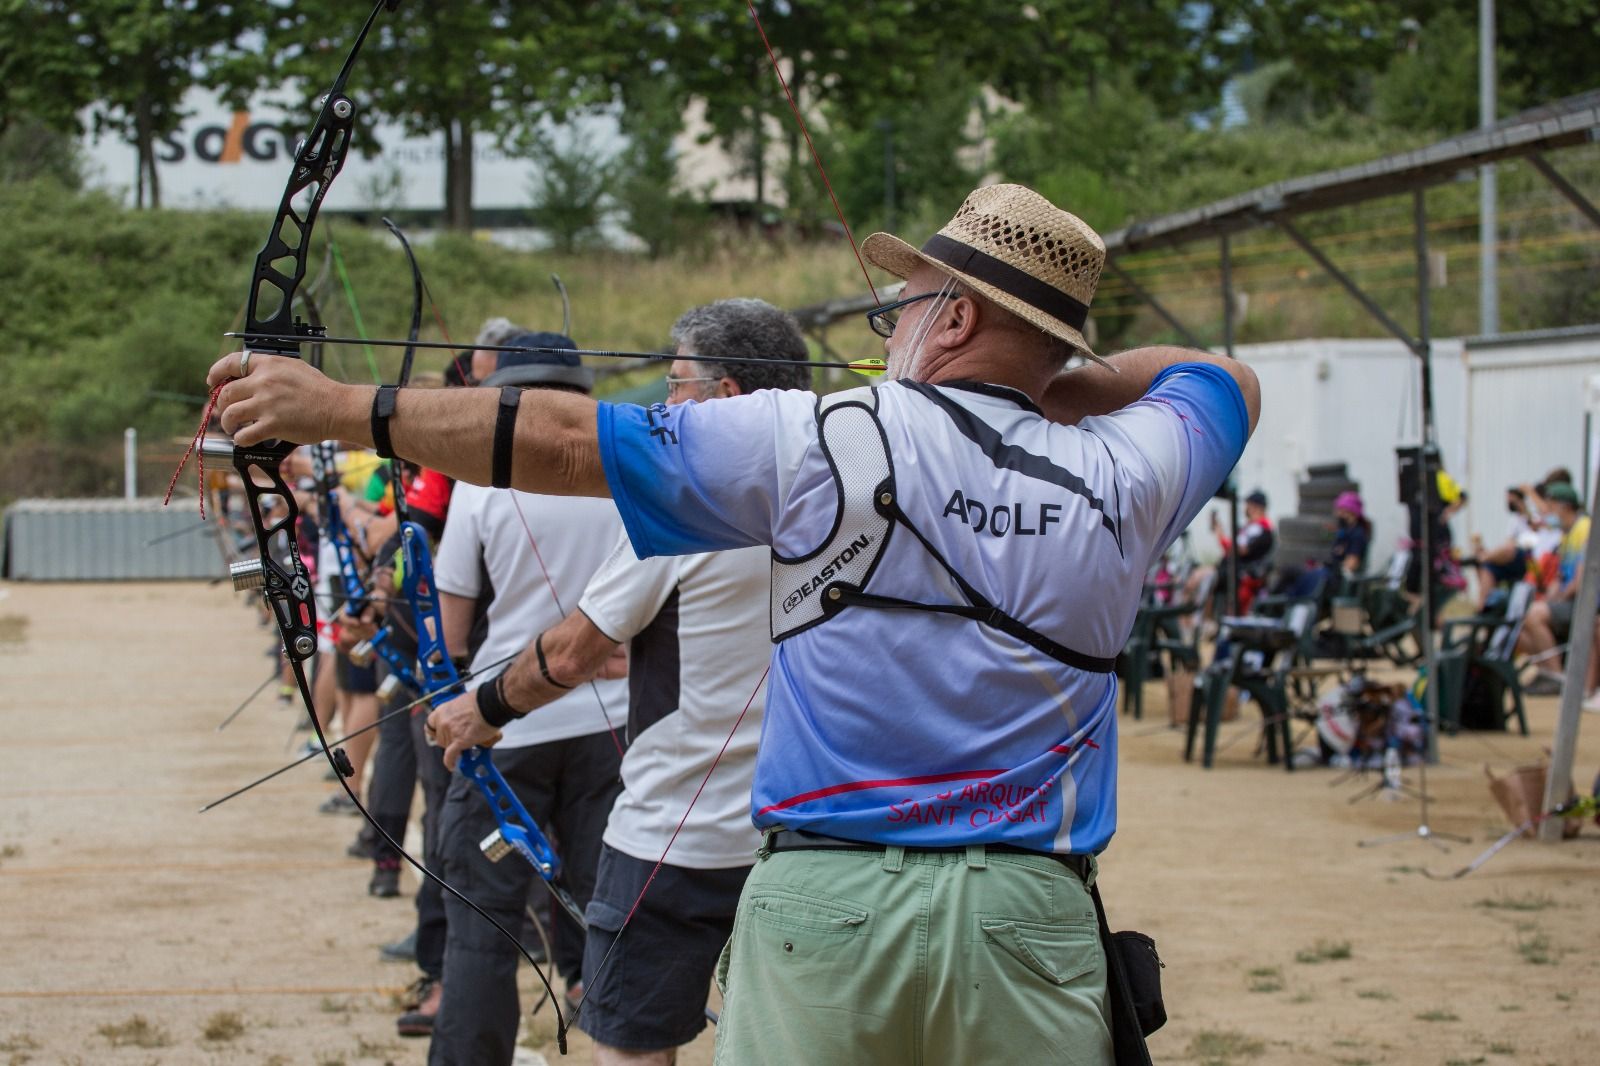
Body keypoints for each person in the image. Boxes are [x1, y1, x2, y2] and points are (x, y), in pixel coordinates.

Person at [208, 182, 1261, 1066]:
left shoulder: (822, 433)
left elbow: (571, 439)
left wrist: (338, 406)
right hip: (1031, 916)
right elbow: (1226, 377)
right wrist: (1037, 386)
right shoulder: (1139, 470)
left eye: (899, 307)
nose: (884, 326)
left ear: (954, 320)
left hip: (829, 904)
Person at [427, 298, 810, 1065]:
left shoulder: (685, 500)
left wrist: (482, 708)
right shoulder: (858, 482)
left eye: (675, 386)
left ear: (724, 397)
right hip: (811, 829)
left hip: (679, 836)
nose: (664, 406)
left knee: (630, 1044)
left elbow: (571, 652)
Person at [426, 336, 629, 1064]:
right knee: (609, 912)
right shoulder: (627, 477)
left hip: (504, 728)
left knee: (485, 922)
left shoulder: (480, 484)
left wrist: (452, 699)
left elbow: (450, 632)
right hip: (612, 727)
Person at [1517, 481, 1596, 698]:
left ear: (1564, 506)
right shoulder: (1567, 533)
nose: (1547, 513)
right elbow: (1561, 576)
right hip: (1570, 601)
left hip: (1583, 602)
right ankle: (1547, 672)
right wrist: (1551, 593)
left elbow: (1581, 581)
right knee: (1519, 629)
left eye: (1550, 507)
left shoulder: (1584, 529)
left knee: (1535, 615)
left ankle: (1558, 677)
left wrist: (1557, 598)